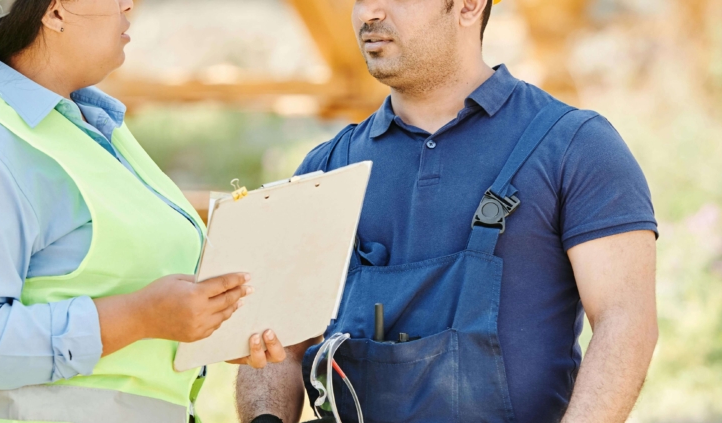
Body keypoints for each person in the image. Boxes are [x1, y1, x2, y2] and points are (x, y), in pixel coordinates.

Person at [235, 0, 658, 422]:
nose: (369, 13)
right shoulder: (325, 170)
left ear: (469, 6)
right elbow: (276, 345)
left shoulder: (574, 147)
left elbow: (625, 323)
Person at [0, 1, 287, 422]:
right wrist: (142, 317)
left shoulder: (93, 128)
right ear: (55, 12)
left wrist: (204, 325)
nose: (127, 4)